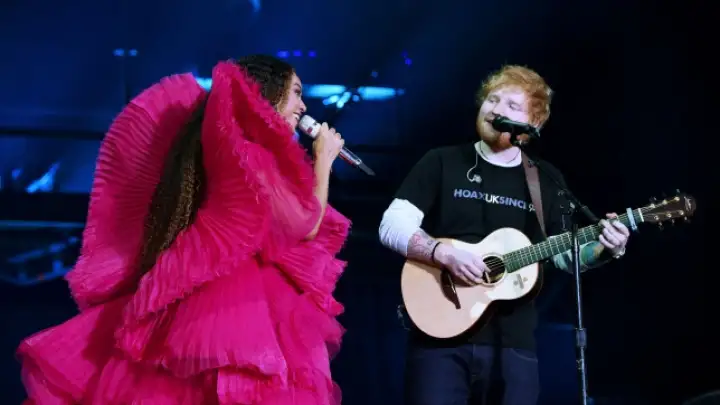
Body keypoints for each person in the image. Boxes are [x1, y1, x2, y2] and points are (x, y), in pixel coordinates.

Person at [17, 55, 351, 405]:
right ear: (269, 94)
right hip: (234, 296)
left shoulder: (236, 145)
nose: (303, 106)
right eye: (296, 92)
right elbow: (304, 224)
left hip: (213, 289)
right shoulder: (250, 152)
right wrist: (324, 159)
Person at [378, 65, 631, 405]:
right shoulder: (442, 161)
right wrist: (442, 253)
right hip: (439, 342)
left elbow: (565, 254)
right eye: (492, 100)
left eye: (511, 106)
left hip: (513, 347)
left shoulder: (545, 180)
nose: (495, 110)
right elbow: (392, 225)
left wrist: (605, 249)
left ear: (533, 124)